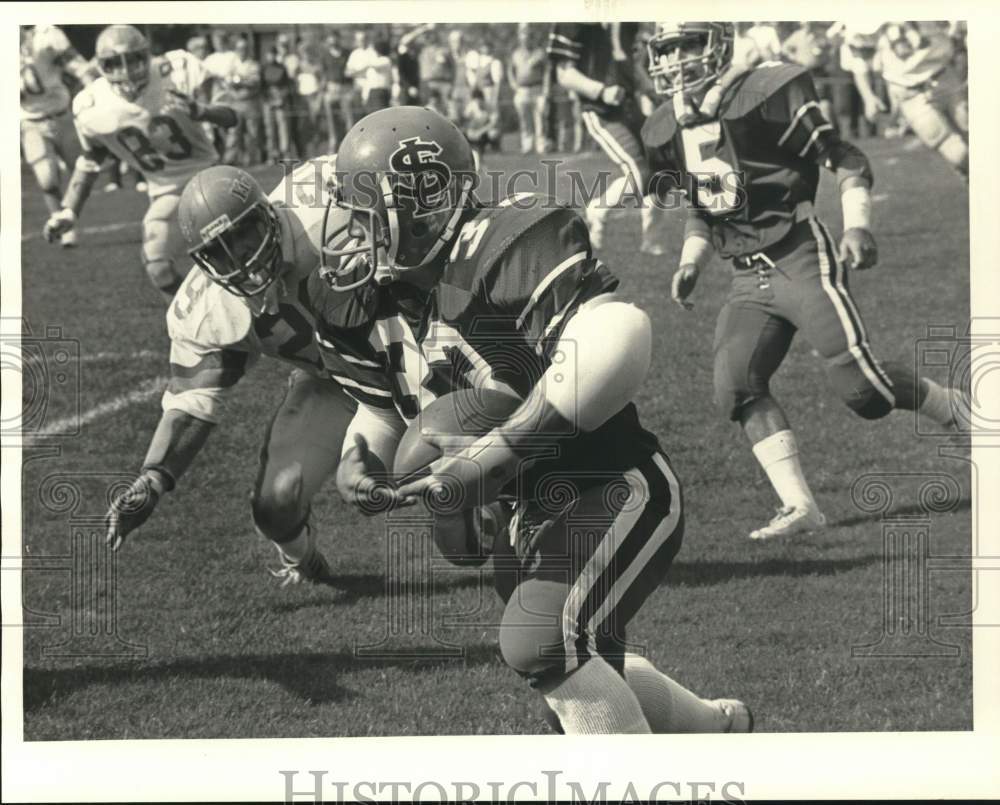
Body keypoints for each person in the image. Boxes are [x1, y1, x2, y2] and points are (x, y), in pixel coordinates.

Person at [311, 105, 753, 735]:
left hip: (610, 482)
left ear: (425, 206)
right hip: (524, 513)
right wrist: (360, 455)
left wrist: (499, 451)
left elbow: (617, 333)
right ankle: (719, 731)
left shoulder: (503, 242)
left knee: (541, 641)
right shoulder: (361, 302)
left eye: (365, 210)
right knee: (579, 663)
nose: (349, 229)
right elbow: (381, 408)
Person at [642, 22, 968, 541]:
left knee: (864, 392)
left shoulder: (767, 92)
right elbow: (705, 209)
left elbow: (845, 157)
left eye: (687, 44)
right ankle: (800, 506)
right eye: (666, 49)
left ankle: (954, 407)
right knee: (736, 387)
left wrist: (857, 223)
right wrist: (691, 262)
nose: (676, 60)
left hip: (799, 254)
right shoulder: (664, 125)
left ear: (718, 43)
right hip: (745, 279)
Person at [103, 159, 357, 586]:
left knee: (463, 532)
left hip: (413, 363)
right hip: (334, 383)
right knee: (275, 509)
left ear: (269, 215)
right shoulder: (204, 308)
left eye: (245, 234)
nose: (242, 256)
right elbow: (192, 400)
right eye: (218, 249)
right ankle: (304, 559)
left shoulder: (323, 210)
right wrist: (152, 479)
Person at [43, 25, 236, 300]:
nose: (126, 69)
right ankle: (198, 322)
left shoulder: (178, 68)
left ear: (147, 55)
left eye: (133, 58)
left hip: (211, 176)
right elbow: (92, 158)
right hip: (165, 192)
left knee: (231, 259)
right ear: (100, 65)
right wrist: (69, 211)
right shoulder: (91, 104)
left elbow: (233, 115)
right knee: (158, 269)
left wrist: (202, 111)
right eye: (114, 62)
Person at [547, 22, 668, 254]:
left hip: (628, 105)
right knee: (640, 171)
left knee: (663, 167)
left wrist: (649, 89)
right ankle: (597, 211)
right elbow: (564, 74)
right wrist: (600, 90)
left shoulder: (625, 19)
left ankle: (652, 240)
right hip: (600, 110)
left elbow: (629, 64)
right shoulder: (574, 18)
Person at [20, 25, 97, 248]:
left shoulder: (46, 35)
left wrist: (91, 89)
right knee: (47, 177)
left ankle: (70, 212)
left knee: (83, 168)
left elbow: (78, 67)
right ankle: (62, 224)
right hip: (30, 120)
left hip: (62, 115)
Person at [867, 22, 968, 180]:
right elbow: (857, 55)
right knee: (957, 152)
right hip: (909, 92)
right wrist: (867, 96)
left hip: (944, 75)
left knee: (979, 137)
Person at [218, 36, 263, 167]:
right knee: (234, 132)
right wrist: (234, 86)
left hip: (250, 102)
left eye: (244, 49)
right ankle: (230, 159)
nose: (241, 51)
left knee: (252, 133)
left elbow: (255, 82)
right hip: (235, 102)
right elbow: (226, 82)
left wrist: (241, 81)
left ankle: (252, 158)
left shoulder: (253, 64)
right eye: (239, 49)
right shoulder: (233, 64)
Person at [509, 25, 548, 155]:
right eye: (523, 35)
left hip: (537, 89)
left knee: (539, 119)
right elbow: (510, 70)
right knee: (525, 120)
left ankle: (540, 146)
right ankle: (527, 145)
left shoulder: (539, 53)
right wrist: (513, 84)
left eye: (528, 36)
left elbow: (547, 71)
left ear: (532, 38)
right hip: (522, 90)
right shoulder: (515, 54)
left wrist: (546, 89)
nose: (526, 38)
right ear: (520, 38)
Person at [261, 46, 293, 162]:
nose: (271, 56)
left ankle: (286, 153)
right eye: (269, 54)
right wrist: (268, 100)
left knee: (283, 128)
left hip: (281, 100)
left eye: (273, 54)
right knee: (270, 129)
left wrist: (281, 99)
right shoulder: (263, 68)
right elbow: (261, 87)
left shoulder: (282, 68)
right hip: (268, 101)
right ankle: (272, 154)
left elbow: (287, 86)